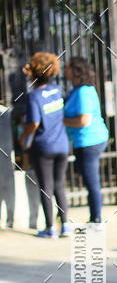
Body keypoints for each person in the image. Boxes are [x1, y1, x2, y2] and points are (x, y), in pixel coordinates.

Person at [19, 52, 71, 238]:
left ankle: (50, 228)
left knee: (46, 187)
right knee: (59, 186)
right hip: (62, 145)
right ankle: (65, 225)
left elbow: (33, 123)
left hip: (43, 147)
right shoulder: (57, 90)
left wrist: (24, 137)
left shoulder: (34, 97)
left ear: (34, 73)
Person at [63, 57, 109, 223]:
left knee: (91, 181)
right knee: (87, 177)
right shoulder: (76, 90)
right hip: (82, 141)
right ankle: (95, 216)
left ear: (76, 71)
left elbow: (83, 121)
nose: (64, 70)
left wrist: (60, 121)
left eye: (67, 68)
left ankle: (96, 218)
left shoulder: (83, 92)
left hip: (90, 140)